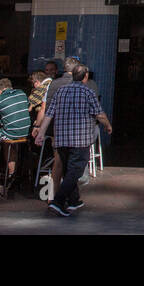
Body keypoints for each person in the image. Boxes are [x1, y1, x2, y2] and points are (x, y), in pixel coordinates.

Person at [35, 65, 112, 216]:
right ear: (85, 76)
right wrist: (108, 126)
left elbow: (49, 114)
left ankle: (74, 200)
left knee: (68, 171)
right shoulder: (88, 92)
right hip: (80, 140)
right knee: (74, 172)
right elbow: (99, 114)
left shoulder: (60, 92)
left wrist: (41, 133)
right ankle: (58, 202)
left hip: (61, 139)